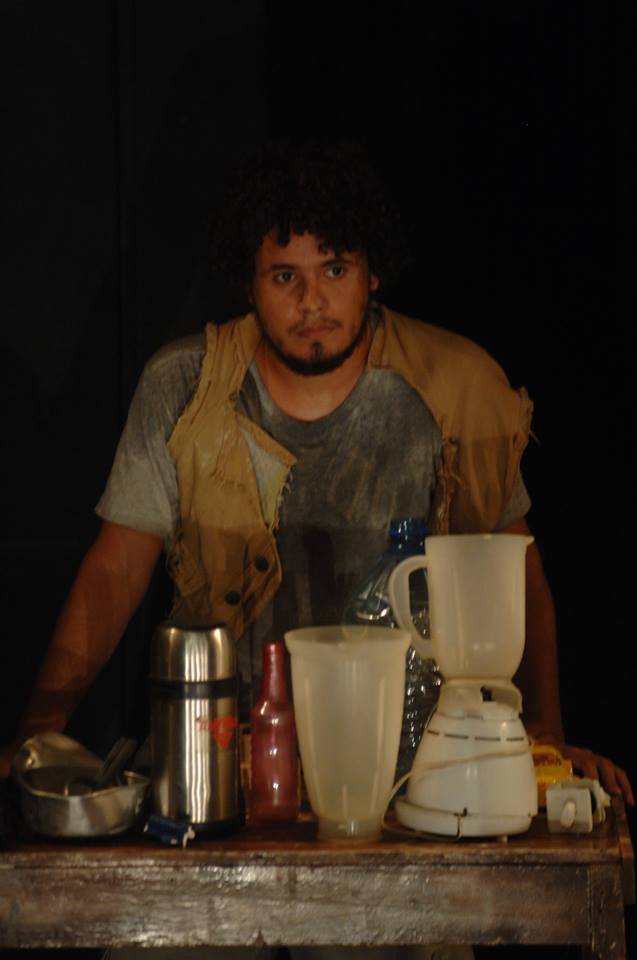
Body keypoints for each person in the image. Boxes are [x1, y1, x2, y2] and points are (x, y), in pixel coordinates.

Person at [1, 138, 633, 822]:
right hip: (216, 776)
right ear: (248, 283)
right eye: (284, 276)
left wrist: (543, 741)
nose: (311, 301)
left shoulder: (455, 387)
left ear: (372, 274)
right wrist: (39, 733)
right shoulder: (185, 387)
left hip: (411, 788)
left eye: (334, 269)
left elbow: (513, 572)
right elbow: (115, 570)